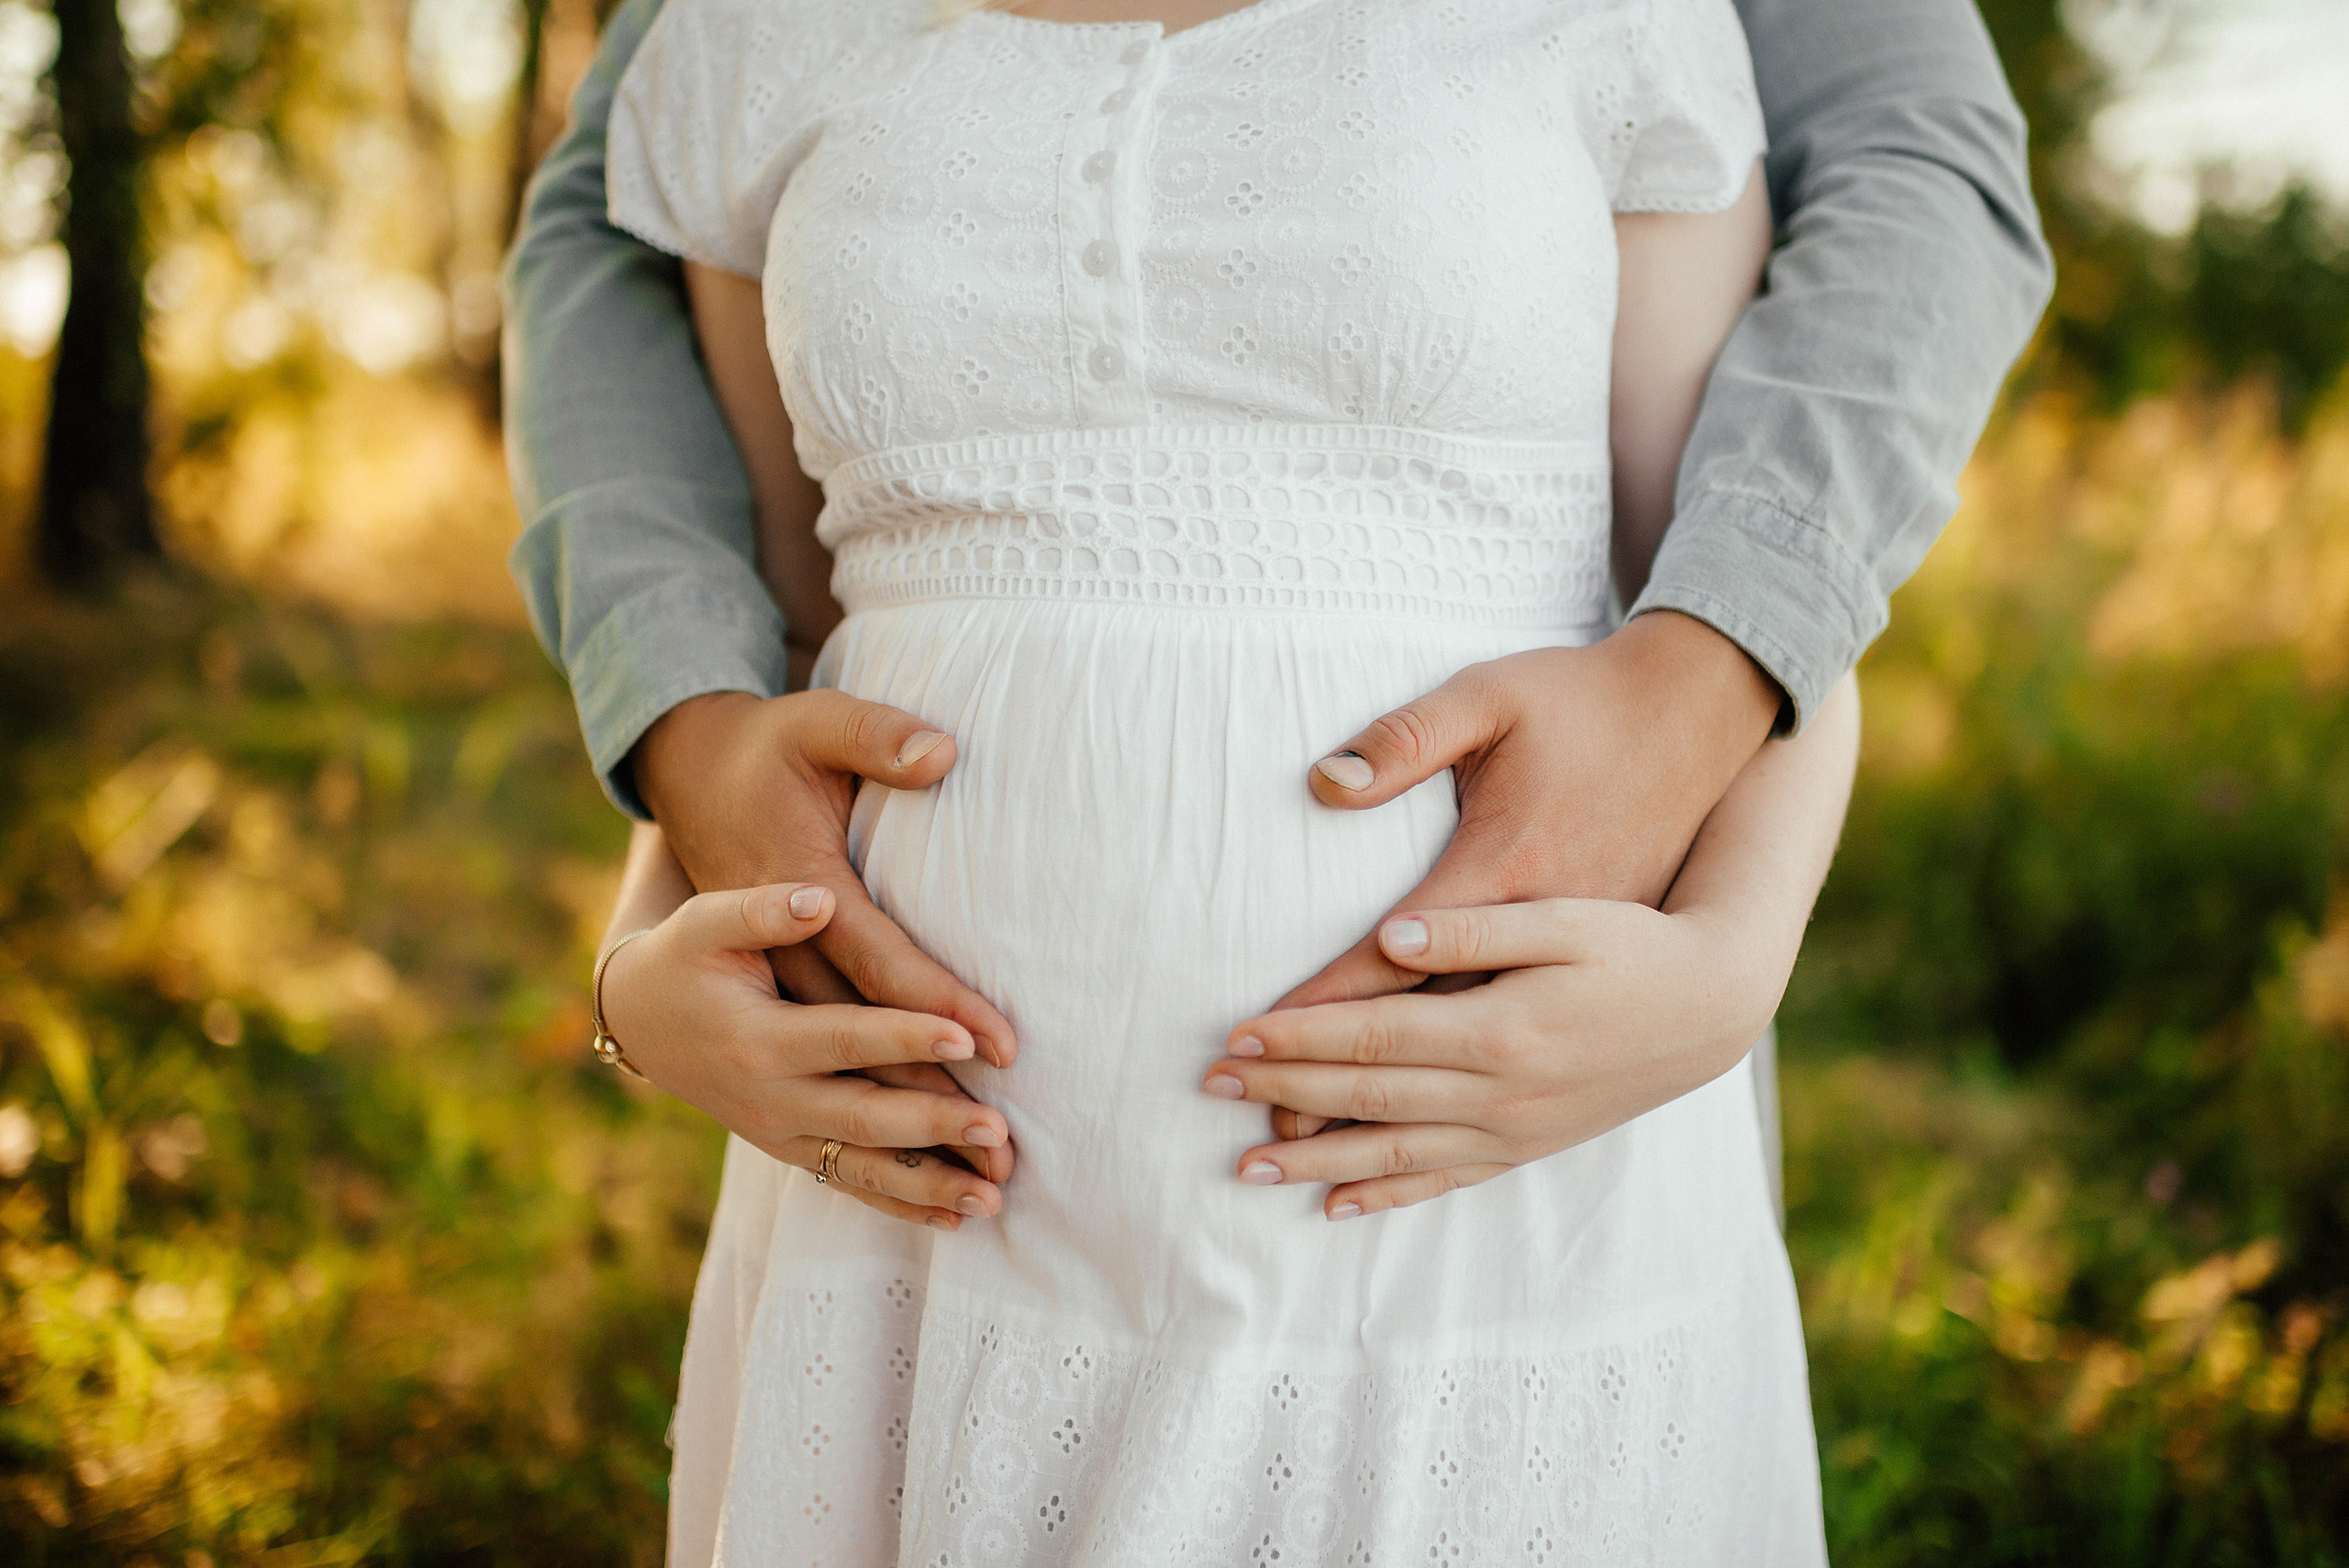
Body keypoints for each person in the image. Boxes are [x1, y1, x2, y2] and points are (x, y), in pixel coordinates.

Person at [502, 0, 2050, 1559]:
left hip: (1461, 1223)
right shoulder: (763, 38)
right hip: (932, 1242)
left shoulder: (1615, 25)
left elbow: (1716, 595)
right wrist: (639, 967)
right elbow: (786, 626)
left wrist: (1733, 960)